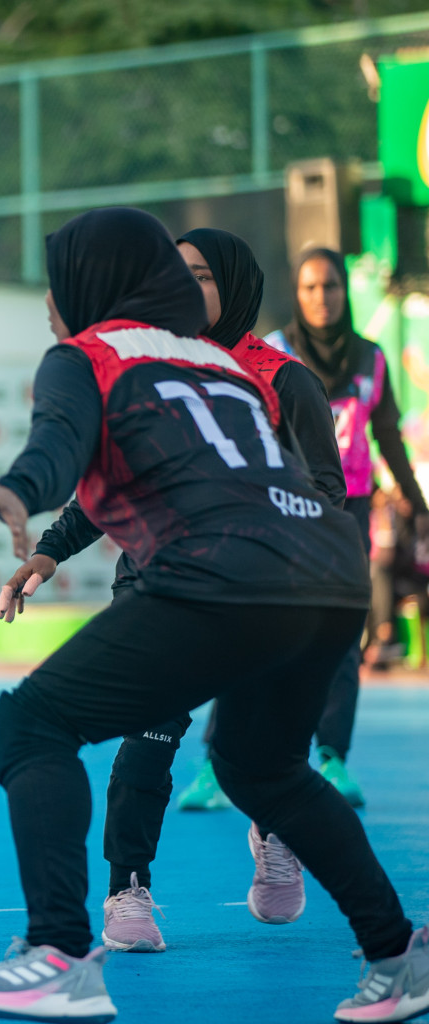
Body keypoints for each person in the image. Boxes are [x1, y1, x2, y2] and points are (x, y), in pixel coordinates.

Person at [0, 207, 424, 1024]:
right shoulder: (221, 363)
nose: (49, 302)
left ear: (96, 286)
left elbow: (56, 448)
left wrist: (15, 493)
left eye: (57, 282)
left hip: (216, 572)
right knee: (263, 769)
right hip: (327, 571)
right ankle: (397, 953)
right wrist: (54, 546)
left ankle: (57, 955)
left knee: (29, 727)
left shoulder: (84, 357)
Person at [0, 228, 346, 954]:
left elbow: (326, 492)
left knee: (264, 749)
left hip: (262, 589)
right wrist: (51, 552)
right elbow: (110, 477)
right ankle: (128, 889)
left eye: (202, 277)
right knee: (148, 737)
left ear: (238, 287)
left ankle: (281, 837)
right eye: (175, 275)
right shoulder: (144, 368)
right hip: (160, 579)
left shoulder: (284, 379)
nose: (186, 291)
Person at [258, 247, 429, 808]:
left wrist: (418, 503)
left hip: (349, 514)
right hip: (287, 508)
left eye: (330, 286)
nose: (321, 298)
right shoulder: (273, 355)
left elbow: (390, 438)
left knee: (341, 637)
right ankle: (224, 757)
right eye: (309, 288)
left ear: (343, 292)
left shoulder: (372, 360)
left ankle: (332, 756)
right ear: (296, 294)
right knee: (262, 635)